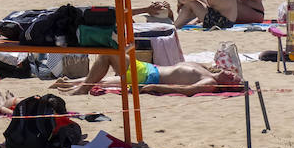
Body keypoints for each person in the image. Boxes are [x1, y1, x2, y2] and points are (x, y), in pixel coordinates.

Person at [75, 55, 241, 96]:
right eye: (234, 74)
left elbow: (186, 90)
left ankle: (82, 90)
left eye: (233, 78)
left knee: (109, 55)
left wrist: (154, 87)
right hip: (150, 69)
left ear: (227, 85)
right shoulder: (208, 71)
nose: (232, 74)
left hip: (148, 77)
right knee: (103, 77)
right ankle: (70, 84)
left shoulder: (209, 82)